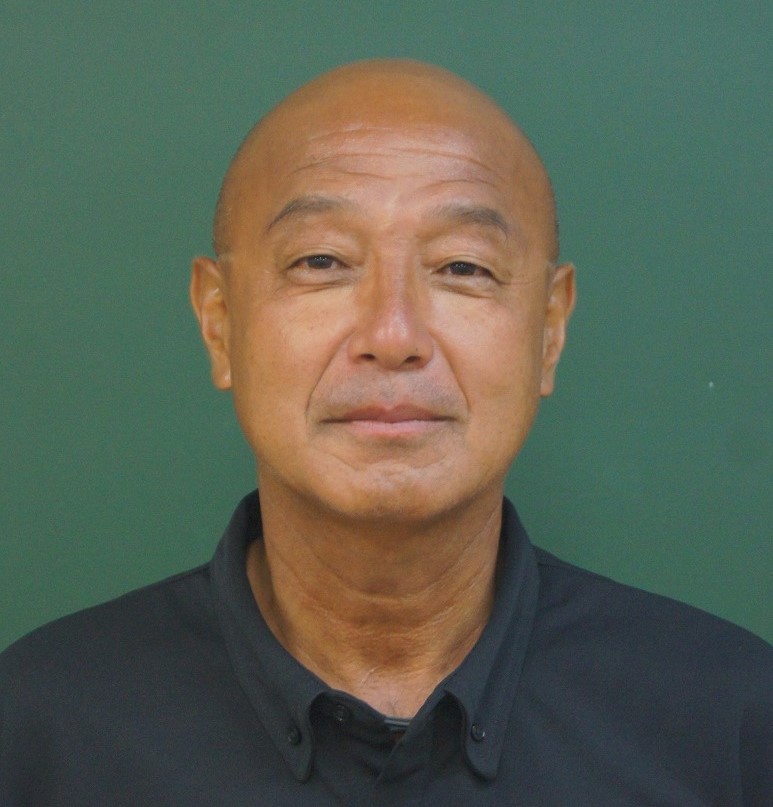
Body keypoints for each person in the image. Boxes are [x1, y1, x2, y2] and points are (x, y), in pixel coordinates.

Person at [0, 59, 769, 806]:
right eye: (321, 260)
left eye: (462, 266)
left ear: (549, 329)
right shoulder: (42, 732)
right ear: (220, 321)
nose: (393, 334)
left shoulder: (727, 724)